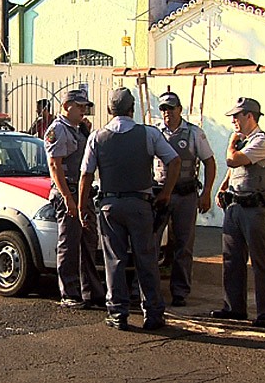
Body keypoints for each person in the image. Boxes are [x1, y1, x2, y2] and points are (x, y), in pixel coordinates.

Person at [78, 87, 181, 331]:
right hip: (140, 205)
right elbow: (174, 160)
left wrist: (82, 207)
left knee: (114, 259)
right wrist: (166, 192)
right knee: (147, 259)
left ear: (109, 111)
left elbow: (85, 175)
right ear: (132, 109)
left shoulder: (97, 137)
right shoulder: (149, 134)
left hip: (110, 205)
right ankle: (153, 313)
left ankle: (118, 313)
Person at [210, 97, 265, 328]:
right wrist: (223, 187)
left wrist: (231, 143)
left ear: (250, 116)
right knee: (231, 259)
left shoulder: (262, 141)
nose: (233, 121)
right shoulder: (245, 141)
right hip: (235, 205)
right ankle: (234, 307)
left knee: (260, 261)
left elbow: (234, 160)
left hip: (254, 209)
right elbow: (235, 169)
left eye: (237, 116)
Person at [153, 91, 216, 307]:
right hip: (159, 194)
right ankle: (149, 290)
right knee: (151, 242)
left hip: (185, 194)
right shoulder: (155, 133)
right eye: (163, 109)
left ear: (180, 109)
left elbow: (210, 162)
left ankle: (180, 292)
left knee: (184, 244)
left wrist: (206, 192)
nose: (167, 113)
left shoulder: (194, 133)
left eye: (171, 108)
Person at [44, 90, 105, 309]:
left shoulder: (79, 129)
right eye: (79, 106)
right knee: (69, 243)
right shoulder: (58, 129)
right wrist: (68, 198)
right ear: (67, 105)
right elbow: (54, 166)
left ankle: (92, 292)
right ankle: (69, 292)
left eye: (85, 107)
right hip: (68, 190)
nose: (83, 111)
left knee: (89, 241)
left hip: (83, 191)